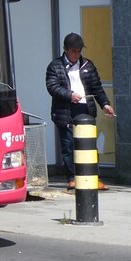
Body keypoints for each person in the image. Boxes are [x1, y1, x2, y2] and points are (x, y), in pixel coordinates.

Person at [46, 32, 115, 190]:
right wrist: (70, 95)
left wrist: (105, 104)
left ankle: (93, 177)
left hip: (85, 109)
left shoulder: (88, 65)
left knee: (89, 144)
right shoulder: (55, 66)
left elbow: (97, 87)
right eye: (73, 51)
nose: (77, 54)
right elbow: (52, 87)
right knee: (69, 146)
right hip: (65, 111)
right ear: (66, 49)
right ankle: (72, 178)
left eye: (79, 50)